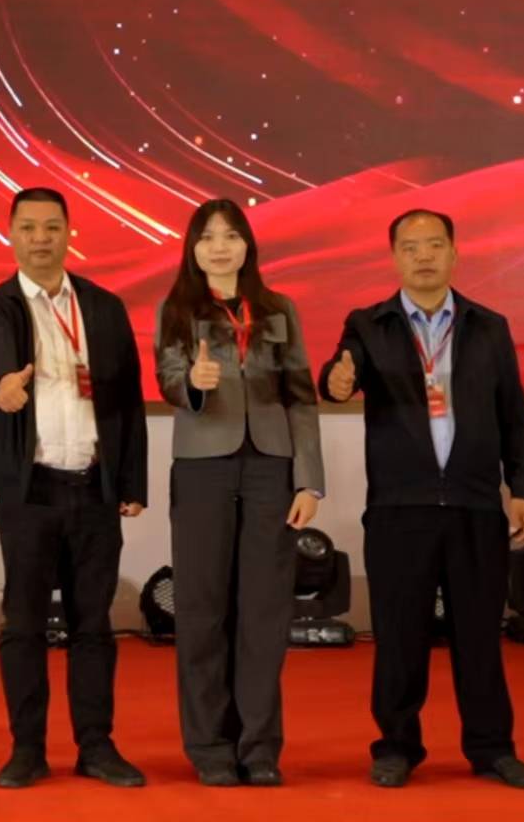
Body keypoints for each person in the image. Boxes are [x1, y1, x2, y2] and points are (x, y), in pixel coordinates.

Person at [320, 209, 524, 791]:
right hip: (399, 508)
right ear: (394, 256)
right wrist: (336, 382)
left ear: (454, 253)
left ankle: (492, 748)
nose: (423, 256)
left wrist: (522, 489)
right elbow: (339, 374)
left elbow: (513, 416)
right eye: (411, 246)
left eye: (435, 245)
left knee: (479, 636)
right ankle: (396, 747)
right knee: (399, 636)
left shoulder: (489, 326)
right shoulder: (369, 324)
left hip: (475, 505)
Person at [0, 186, 148, 791]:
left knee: (92, 624)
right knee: (23, 625)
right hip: (30, 492)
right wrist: (5, 382)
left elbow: (127, 400)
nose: (40, 238)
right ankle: (27, 749)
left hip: (94, 489)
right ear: (11, 235)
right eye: (28, 228)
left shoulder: (103, 306)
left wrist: (131, 480)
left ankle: (96, 746)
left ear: (70, 233)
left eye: (51, 227)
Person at [153, 199, 323, 787]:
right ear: (193, 250)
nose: (219, 247)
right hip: (202, 465)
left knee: (264, 610)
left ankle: (259, 747)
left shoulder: (278, 310)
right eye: (207, 237)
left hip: (271, 467)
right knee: (202, 607)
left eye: (230, 236)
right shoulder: (177, 308)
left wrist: (309, 479)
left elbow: (301, 396)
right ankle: (209, 746)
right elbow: (167, 378)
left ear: (248, 245)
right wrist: (194, 384)